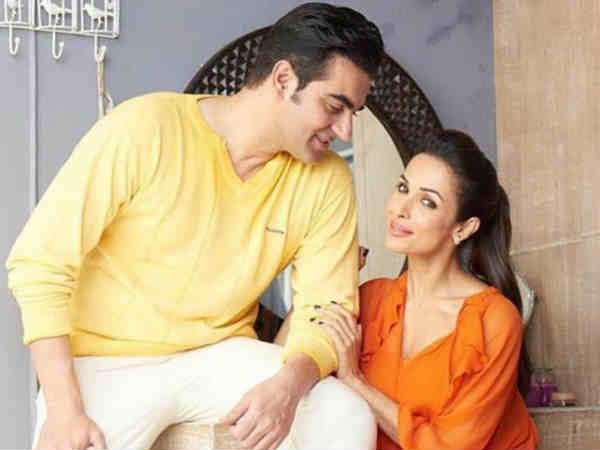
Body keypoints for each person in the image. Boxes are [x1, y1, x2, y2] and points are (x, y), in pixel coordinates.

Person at [5, 3, 384, 449]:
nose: (345, 130)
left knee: (345, 415)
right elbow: (39, 265)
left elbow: (325, 307)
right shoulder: (145, 127)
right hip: (106, 359)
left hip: (218, 356)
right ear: (283, 79)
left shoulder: (329, 179)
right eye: (335, 106)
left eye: (353, 113)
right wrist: (64, 409)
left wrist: (288, 386)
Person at [278, 130, 539, 449]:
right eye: (403, 188)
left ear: (463, 228)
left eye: (427, 202)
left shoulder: (494, 319)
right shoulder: (371, 299)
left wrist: (355, 381)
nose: (401, 208)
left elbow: (452, 447)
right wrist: (324, 280)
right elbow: (277, 368)